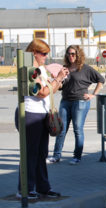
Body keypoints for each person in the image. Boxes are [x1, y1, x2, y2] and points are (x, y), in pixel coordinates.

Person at [15, 39, 69, 199]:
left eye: (47, 54)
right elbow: (42, 92)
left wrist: (59, 80)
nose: (46, 57)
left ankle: (43, 187)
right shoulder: (28, 69)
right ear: (34, 53)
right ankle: (25, 188)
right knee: (30, 153)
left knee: (41, 153)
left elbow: (51, 88)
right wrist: (58, 79)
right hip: (30, 114)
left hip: (42, 113)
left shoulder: (42, 69)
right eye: (43, 53)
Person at [46, 45, 105, 165]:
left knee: (78, 130)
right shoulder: (64, 68)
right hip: (65, 101)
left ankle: (77, 156)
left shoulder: (85, 69)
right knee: (60, 129)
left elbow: (101, 80)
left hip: (80, 102)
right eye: (68, 54)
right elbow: (61, 87)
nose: (71, 56)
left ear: (78, 55)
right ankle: (56, 156)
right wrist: (56, 79)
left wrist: (93, 94)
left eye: (73, 54)